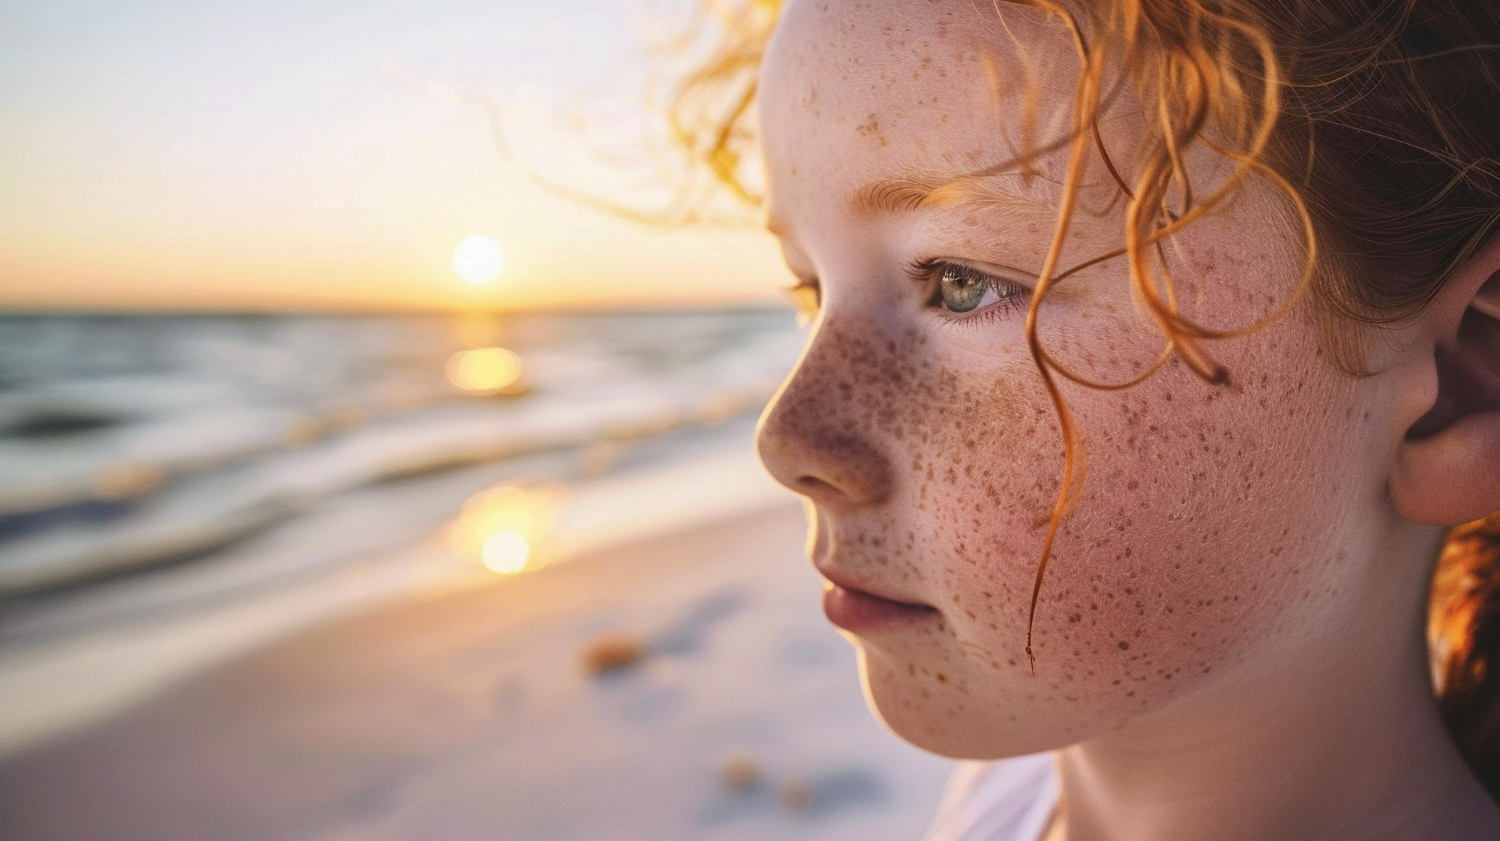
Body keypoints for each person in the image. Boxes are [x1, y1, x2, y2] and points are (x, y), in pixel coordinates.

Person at [662, 0, 1500, 838]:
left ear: (1465, 378)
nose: (787, 443)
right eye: (810, 288)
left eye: (960, 280)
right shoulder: (1001, 800)